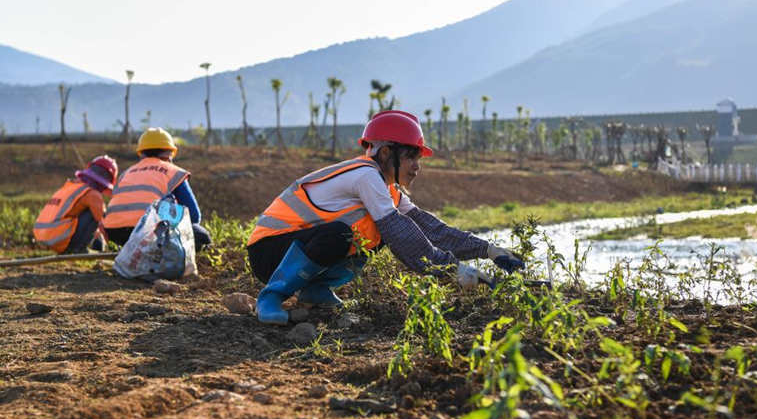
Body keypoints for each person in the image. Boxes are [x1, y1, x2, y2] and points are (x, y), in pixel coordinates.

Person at [247, 110, 524, 325]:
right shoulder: (366, 176)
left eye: (419, 159)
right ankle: (272, 296)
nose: (417, 167)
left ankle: (314, 291)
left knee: (375, 237)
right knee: (351, 235)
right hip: (269, 252)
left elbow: (430, 229)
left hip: (294, 248)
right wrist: (455, 271)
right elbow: (405, 239)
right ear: (386, 153)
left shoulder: (387, 189)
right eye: (411, 157)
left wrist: (487, 250)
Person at [104, 127, 212, 251]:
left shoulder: (125, 174)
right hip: (148, 233)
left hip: (115, 233)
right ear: (170, 153)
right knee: (201, 235)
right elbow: (193, 216)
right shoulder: (174, 172)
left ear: (141, 153)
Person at [33, 155, 118, 254]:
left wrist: (97, 235)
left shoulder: (70, 187)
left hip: (43, 237)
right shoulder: (92, 194)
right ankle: (78, 249)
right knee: (93, 214)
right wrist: (114, 247)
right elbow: (104, 223)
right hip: (58, 239)